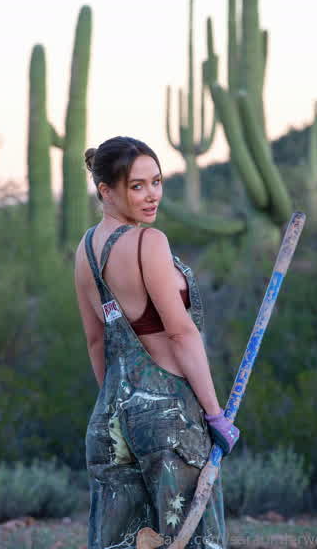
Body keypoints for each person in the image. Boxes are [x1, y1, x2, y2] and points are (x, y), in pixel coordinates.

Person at [74, 136, 240, 549]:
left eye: (157, 182)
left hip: (109, 418)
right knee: (193, 539)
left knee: (124, 543)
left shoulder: (85, 250)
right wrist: (215, 415)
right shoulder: (149, 241)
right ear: (106, 191)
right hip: (168, 415)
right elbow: (180, 333)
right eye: (137, 186)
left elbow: (96, 342)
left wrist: (123, 413)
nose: (152, 195)